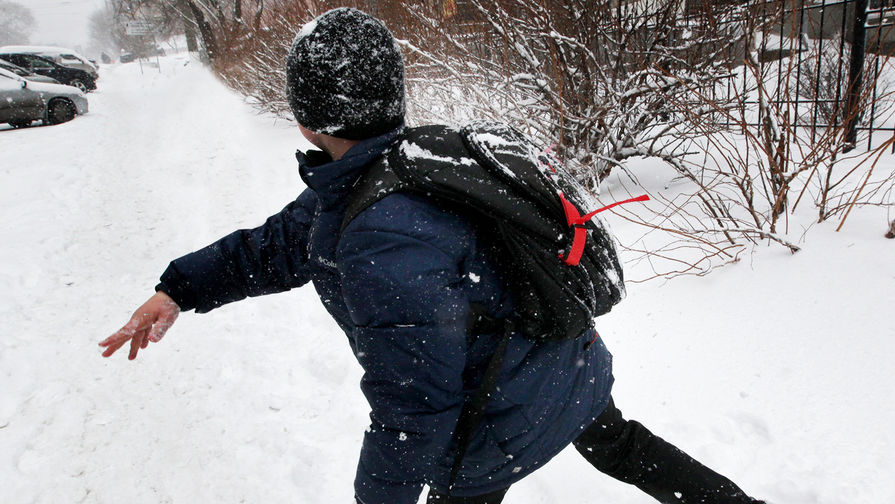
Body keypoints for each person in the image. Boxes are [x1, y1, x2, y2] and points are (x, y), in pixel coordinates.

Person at [100, 8, 765, 504]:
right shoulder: (402, 166)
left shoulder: (377, 231)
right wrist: (180, 289)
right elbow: (276, 246)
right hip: (568, 366)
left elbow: (413, 406)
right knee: (620, 445)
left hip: (493, 416)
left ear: (306, 119)